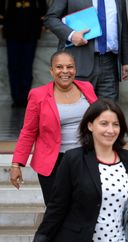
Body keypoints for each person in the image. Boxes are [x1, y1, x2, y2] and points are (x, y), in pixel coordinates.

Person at [33, 99, 128, 242]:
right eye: (104, 124)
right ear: (90, 125)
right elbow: (57, 206)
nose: (110, 130)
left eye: (116, 124)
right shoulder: (73, 159)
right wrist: (42, 237)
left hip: (119, 239)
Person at [9, 50, 97, 205]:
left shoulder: (87, 88)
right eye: (59, 67)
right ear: (51, 70)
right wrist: (17, 164)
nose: (65, 71)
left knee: (84, 208)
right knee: (56, 211)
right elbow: (28, 131)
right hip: (54, 162)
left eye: (70, 67)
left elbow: (100, 119)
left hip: (85, 158)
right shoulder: (38, 95)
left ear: (75, 70)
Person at [44, 0, 128, 101]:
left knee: (108, 111)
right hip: (78, 61)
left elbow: (123, 26)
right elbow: (50, 18)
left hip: (109, 63)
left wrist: (127, 60)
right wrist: (72, 35)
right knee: (78, 111)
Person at [0, 0, 46, 107]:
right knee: (13, 66)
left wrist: (42, 22)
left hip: (31, 29)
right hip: (12, 29)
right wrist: (2, 22)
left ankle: (25, 96)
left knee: (27, 66)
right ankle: (16, 97)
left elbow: (42, 5)